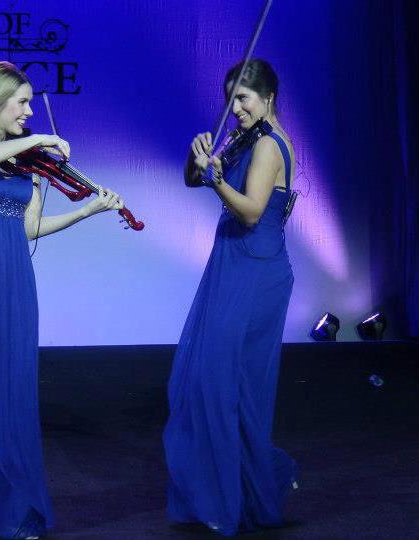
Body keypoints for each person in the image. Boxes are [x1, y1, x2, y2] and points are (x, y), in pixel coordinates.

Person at [0, 61, 123, 539]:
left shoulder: (28, 165)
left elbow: (30, 228)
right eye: (21, 102)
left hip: (14, 279)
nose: (28, 111)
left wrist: (88, 209)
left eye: (28, 103)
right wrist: (39, 140)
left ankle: (13, 502)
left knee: (10, 390)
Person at [163, 59, 298, 536]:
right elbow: (193, 179)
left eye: (242, 98)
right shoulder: (244, 137)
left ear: (268, 97)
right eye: (230, 99)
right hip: (233, 266)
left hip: (256, 272)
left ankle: (236, 496)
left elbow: (251, 212)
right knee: (212, 381)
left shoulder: (268, 144)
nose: (234, 108)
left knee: (227, 385)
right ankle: (233, 492)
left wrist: (217, 179)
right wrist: (196, 158)